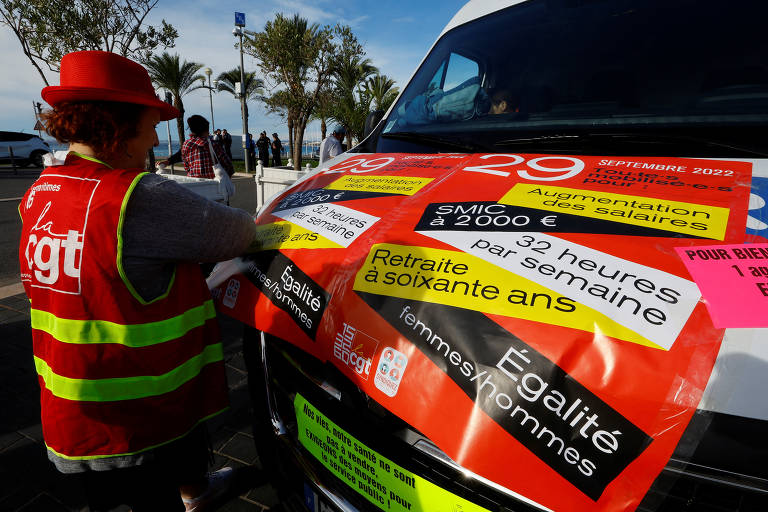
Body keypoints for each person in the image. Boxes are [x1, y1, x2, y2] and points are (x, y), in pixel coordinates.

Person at [20, 50, 258, 512]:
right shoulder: (136, 197)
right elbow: (237, 232)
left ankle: (196, 488)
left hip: (72, 401)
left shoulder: (41, 193)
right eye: (149, 125)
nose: (154, 139)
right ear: (117, 126)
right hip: (138, 414)